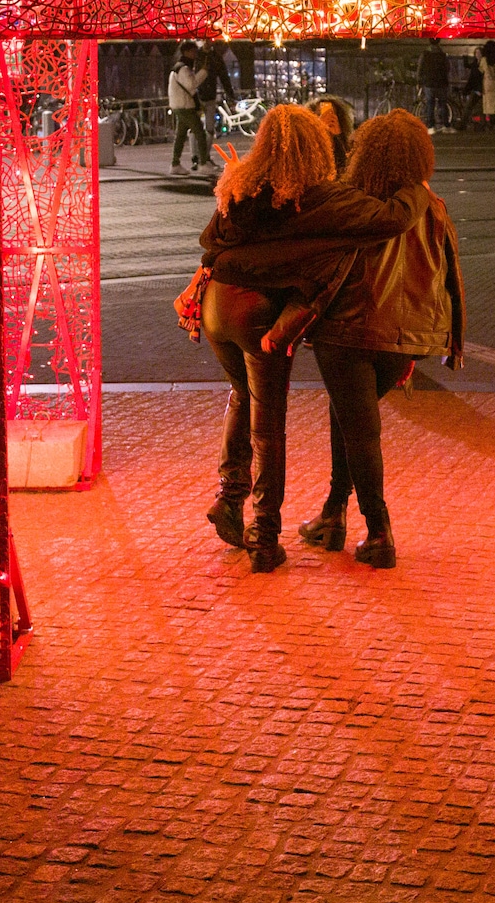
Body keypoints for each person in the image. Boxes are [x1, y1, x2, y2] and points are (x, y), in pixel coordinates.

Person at [196, 105, 417, 571]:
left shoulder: (240, 188)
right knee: (268, 425)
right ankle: (264, 537)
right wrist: (415, 184)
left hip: (217, 307)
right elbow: (391, 218)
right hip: (260, 316)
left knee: (243, 395)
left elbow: (210, 241)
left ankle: (230, 497)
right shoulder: (322, 197)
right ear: (318, 148)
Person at [281, 110, 463, 568]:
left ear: (367, 154)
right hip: (408, 336)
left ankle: (379, 531)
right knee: (348, 414)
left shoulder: (355, 203)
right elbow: (447, 275)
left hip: (349, 331)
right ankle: (332, 513)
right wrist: (439, 337)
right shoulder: (433, 206)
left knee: (360, 429)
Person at [167, 41, 211, 173]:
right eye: (193, 51)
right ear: (186, 52)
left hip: (179, 105)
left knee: (180, 135)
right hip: (185, 106)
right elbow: (192, 85)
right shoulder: (183, 69)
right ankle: (203, 163)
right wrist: (204, 72)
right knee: (200, 134)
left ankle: (175, 164)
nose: (195, 54)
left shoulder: (179, 67)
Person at [311, 95, 358, 172]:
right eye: (320, 114)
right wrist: (319, 133)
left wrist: (338, 137)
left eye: (331, 114)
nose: (327, 118)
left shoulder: (350, 145)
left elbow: (348, 169)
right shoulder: (307, 144)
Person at [416, 37, 450, 130]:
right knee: (443, 104)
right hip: (442, 83)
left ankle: (431, 126)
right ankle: (445, 125)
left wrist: (419, 81)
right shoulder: (442, 55)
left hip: (429, 83)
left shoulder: (425, 54)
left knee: (430, 104)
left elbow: (420, 68)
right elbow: (447, 68)